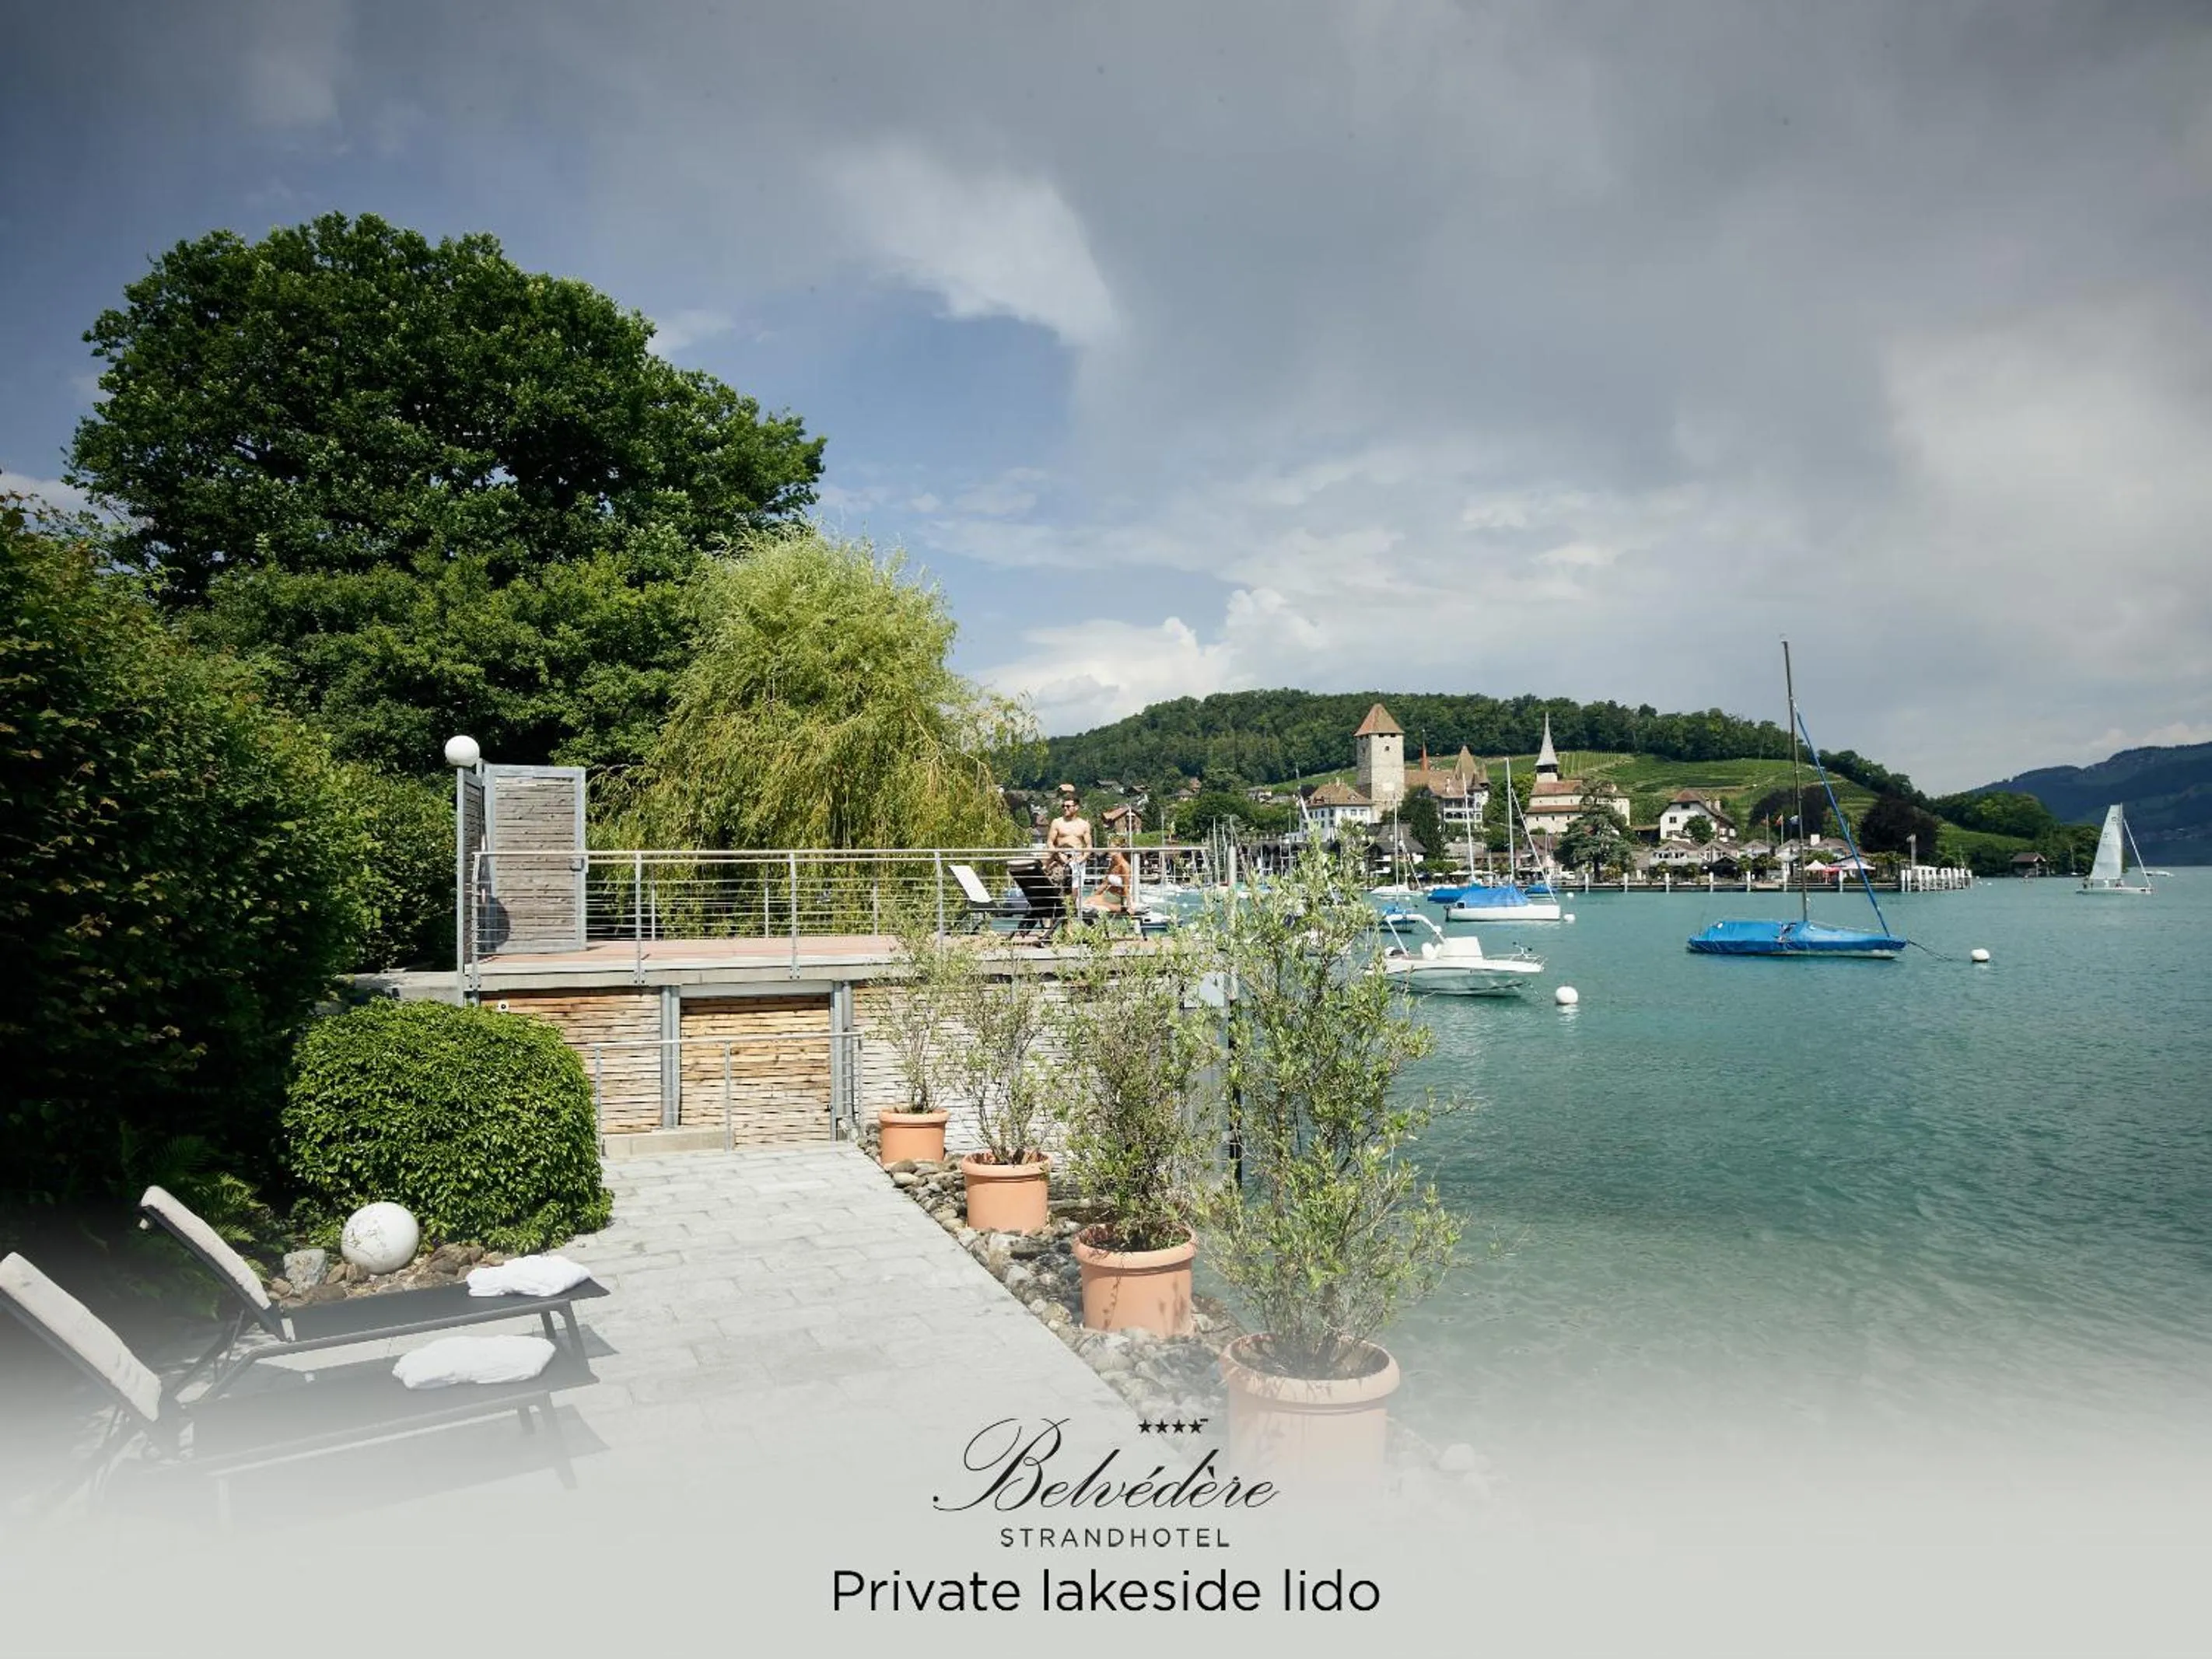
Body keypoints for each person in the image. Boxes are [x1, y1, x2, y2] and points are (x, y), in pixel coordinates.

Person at [1042, 789, 1093, 887]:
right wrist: (1058, 854)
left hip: (1078, 859)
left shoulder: (1084, 824)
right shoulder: (1057, 822)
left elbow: (1089, 846)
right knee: (1059, 888)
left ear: (1076, 807)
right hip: (1060, 858)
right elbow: (1050, 842)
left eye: (1068, 806)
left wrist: (1082, 859)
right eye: (1063, 806)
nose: (1065, 808)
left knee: (1076, 890)